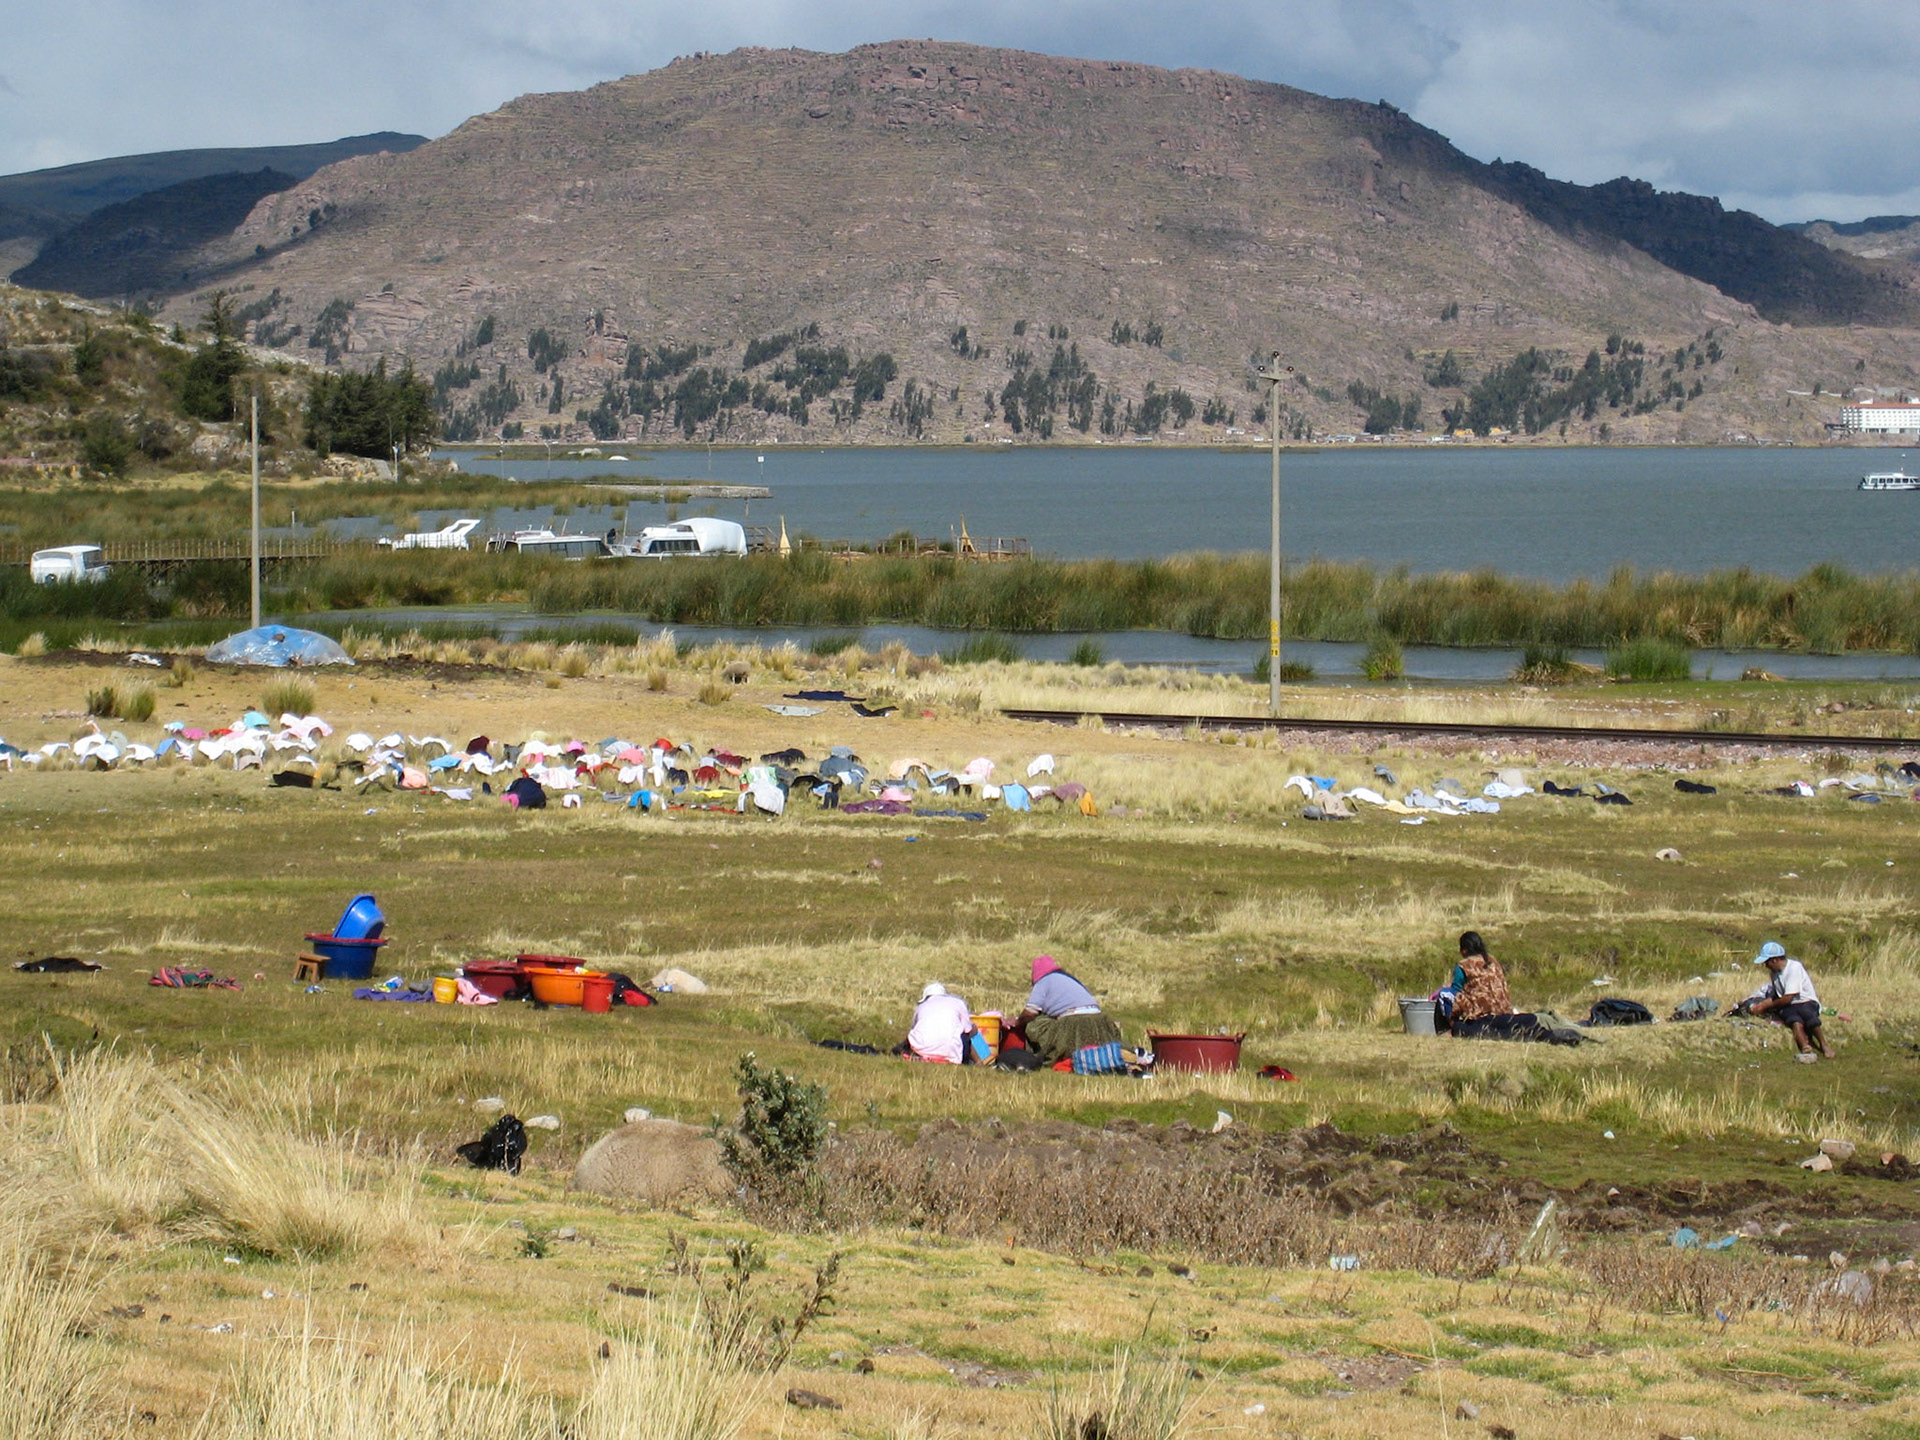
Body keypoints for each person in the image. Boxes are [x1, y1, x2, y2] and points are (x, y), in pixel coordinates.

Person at [1010, 955, 1121, 1063]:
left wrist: (1017, 1021)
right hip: (1099, 1019)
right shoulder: (1070, 980)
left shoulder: (1043, 981)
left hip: (1074, 1022)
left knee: (1034, 1025)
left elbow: (1030, 1014)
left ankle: (1044, 1055)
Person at [1740, 941, 1835, 1062]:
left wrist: (1765, 1006)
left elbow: (1788, 997)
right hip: (1789, 1005)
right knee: (1794, 1021)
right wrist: (1761, 1005)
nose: (1766, 965)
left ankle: (1823, 1044)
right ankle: (1804, 1046)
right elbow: (1778, 995)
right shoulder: (1774, 974)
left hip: (1805, 1001)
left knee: (1807, 1015)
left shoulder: (1794, 968)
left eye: (1767, 962)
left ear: (1774, 960)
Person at [1447, 931, 1513, 1029]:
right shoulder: (1492, 961)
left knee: (1445, 995)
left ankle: (1445, 1031)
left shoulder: (1463, 965)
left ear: (1464, 950)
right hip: (1504, 1013)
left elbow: (1455, 991)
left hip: (1480, 1017)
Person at [903, 982, 976, 1064]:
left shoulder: (921, 1006)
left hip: (921, 1050)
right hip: (951, 1051)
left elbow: (914, 1028)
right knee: (968, 1032)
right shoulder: (958, 1002)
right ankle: (981, 1062)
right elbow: (968, 1029)